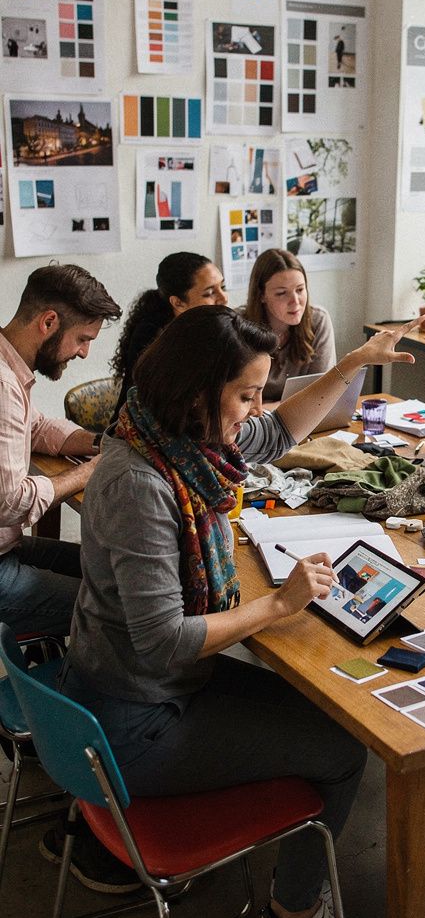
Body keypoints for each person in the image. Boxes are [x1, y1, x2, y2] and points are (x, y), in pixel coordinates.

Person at [54, 307, 417, 918]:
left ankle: (296, 894)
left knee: (316, 709)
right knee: (342, 744)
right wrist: (277, 605)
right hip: (136, 726)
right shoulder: (140, 481)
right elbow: (165, 642)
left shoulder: (173, 441)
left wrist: (351, 365)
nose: (255, 408)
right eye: (244, 393)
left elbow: (278, 431)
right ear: (199, 391)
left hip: (133, 695)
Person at [0, 263, 121, 637]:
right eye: (83, 339)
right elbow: (9, 502)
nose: (84, 353)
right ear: (49, 322)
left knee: (112, 572)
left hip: (8, 546)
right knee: (125, 610)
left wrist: (100, 442)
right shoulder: (2, 385)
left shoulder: (9, 366)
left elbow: (34, 425)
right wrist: (91, 470)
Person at [110, 252, 228, 421]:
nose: (224, 299)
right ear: (178, 303)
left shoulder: (210, 328)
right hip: (139, 436)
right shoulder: (152, 336)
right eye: (209, 293)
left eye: (222, 287)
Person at [244, 248, 336, 402]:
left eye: (300, 290)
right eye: (281, 293)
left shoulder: (318, 320)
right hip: (255, 421)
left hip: (305, 419)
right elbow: (238, 402)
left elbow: (323, 394)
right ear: (261, 296)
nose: (295, 301)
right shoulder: (239, 326)